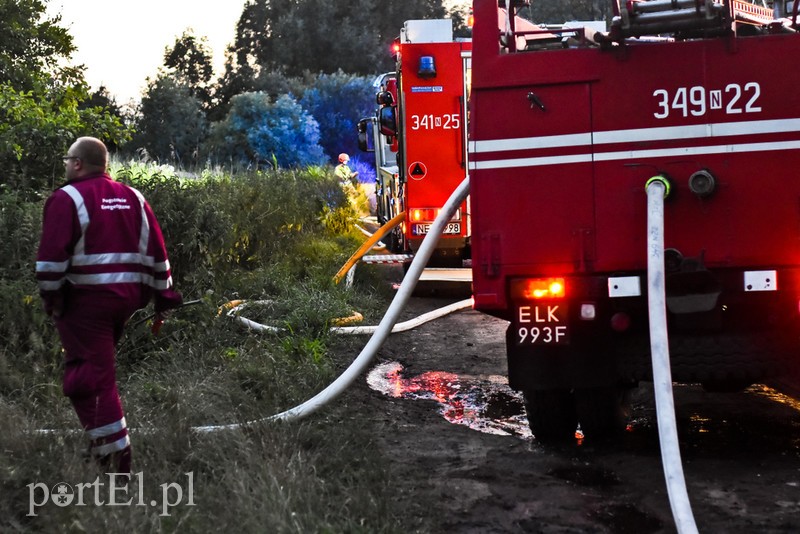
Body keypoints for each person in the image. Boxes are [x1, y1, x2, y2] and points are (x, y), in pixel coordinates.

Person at [35, 136, 182, 476]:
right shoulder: (134, 197)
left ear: (76, 163)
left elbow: (50, 264)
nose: (65, 164)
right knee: (97, 372)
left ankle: (117, 462)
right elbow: (157, 252)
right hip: (124, 304)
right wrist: (164, 298)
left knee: (88, 380)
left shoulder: (66, 198)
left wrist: (52, 301)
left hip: (86, 306)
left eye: (67, 159)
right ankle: (100, 444)